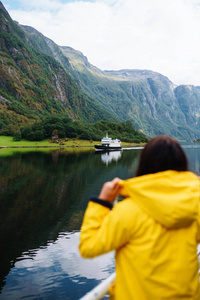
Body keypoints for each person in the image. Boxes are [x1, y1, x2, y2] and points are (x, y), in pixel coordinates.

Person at [79, 135, 200, 300]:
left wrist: (102, 202)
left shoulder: (127, 211)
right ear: (183, 166)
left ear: (143, 164)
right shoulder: (195, 206)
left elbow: (88, 247)